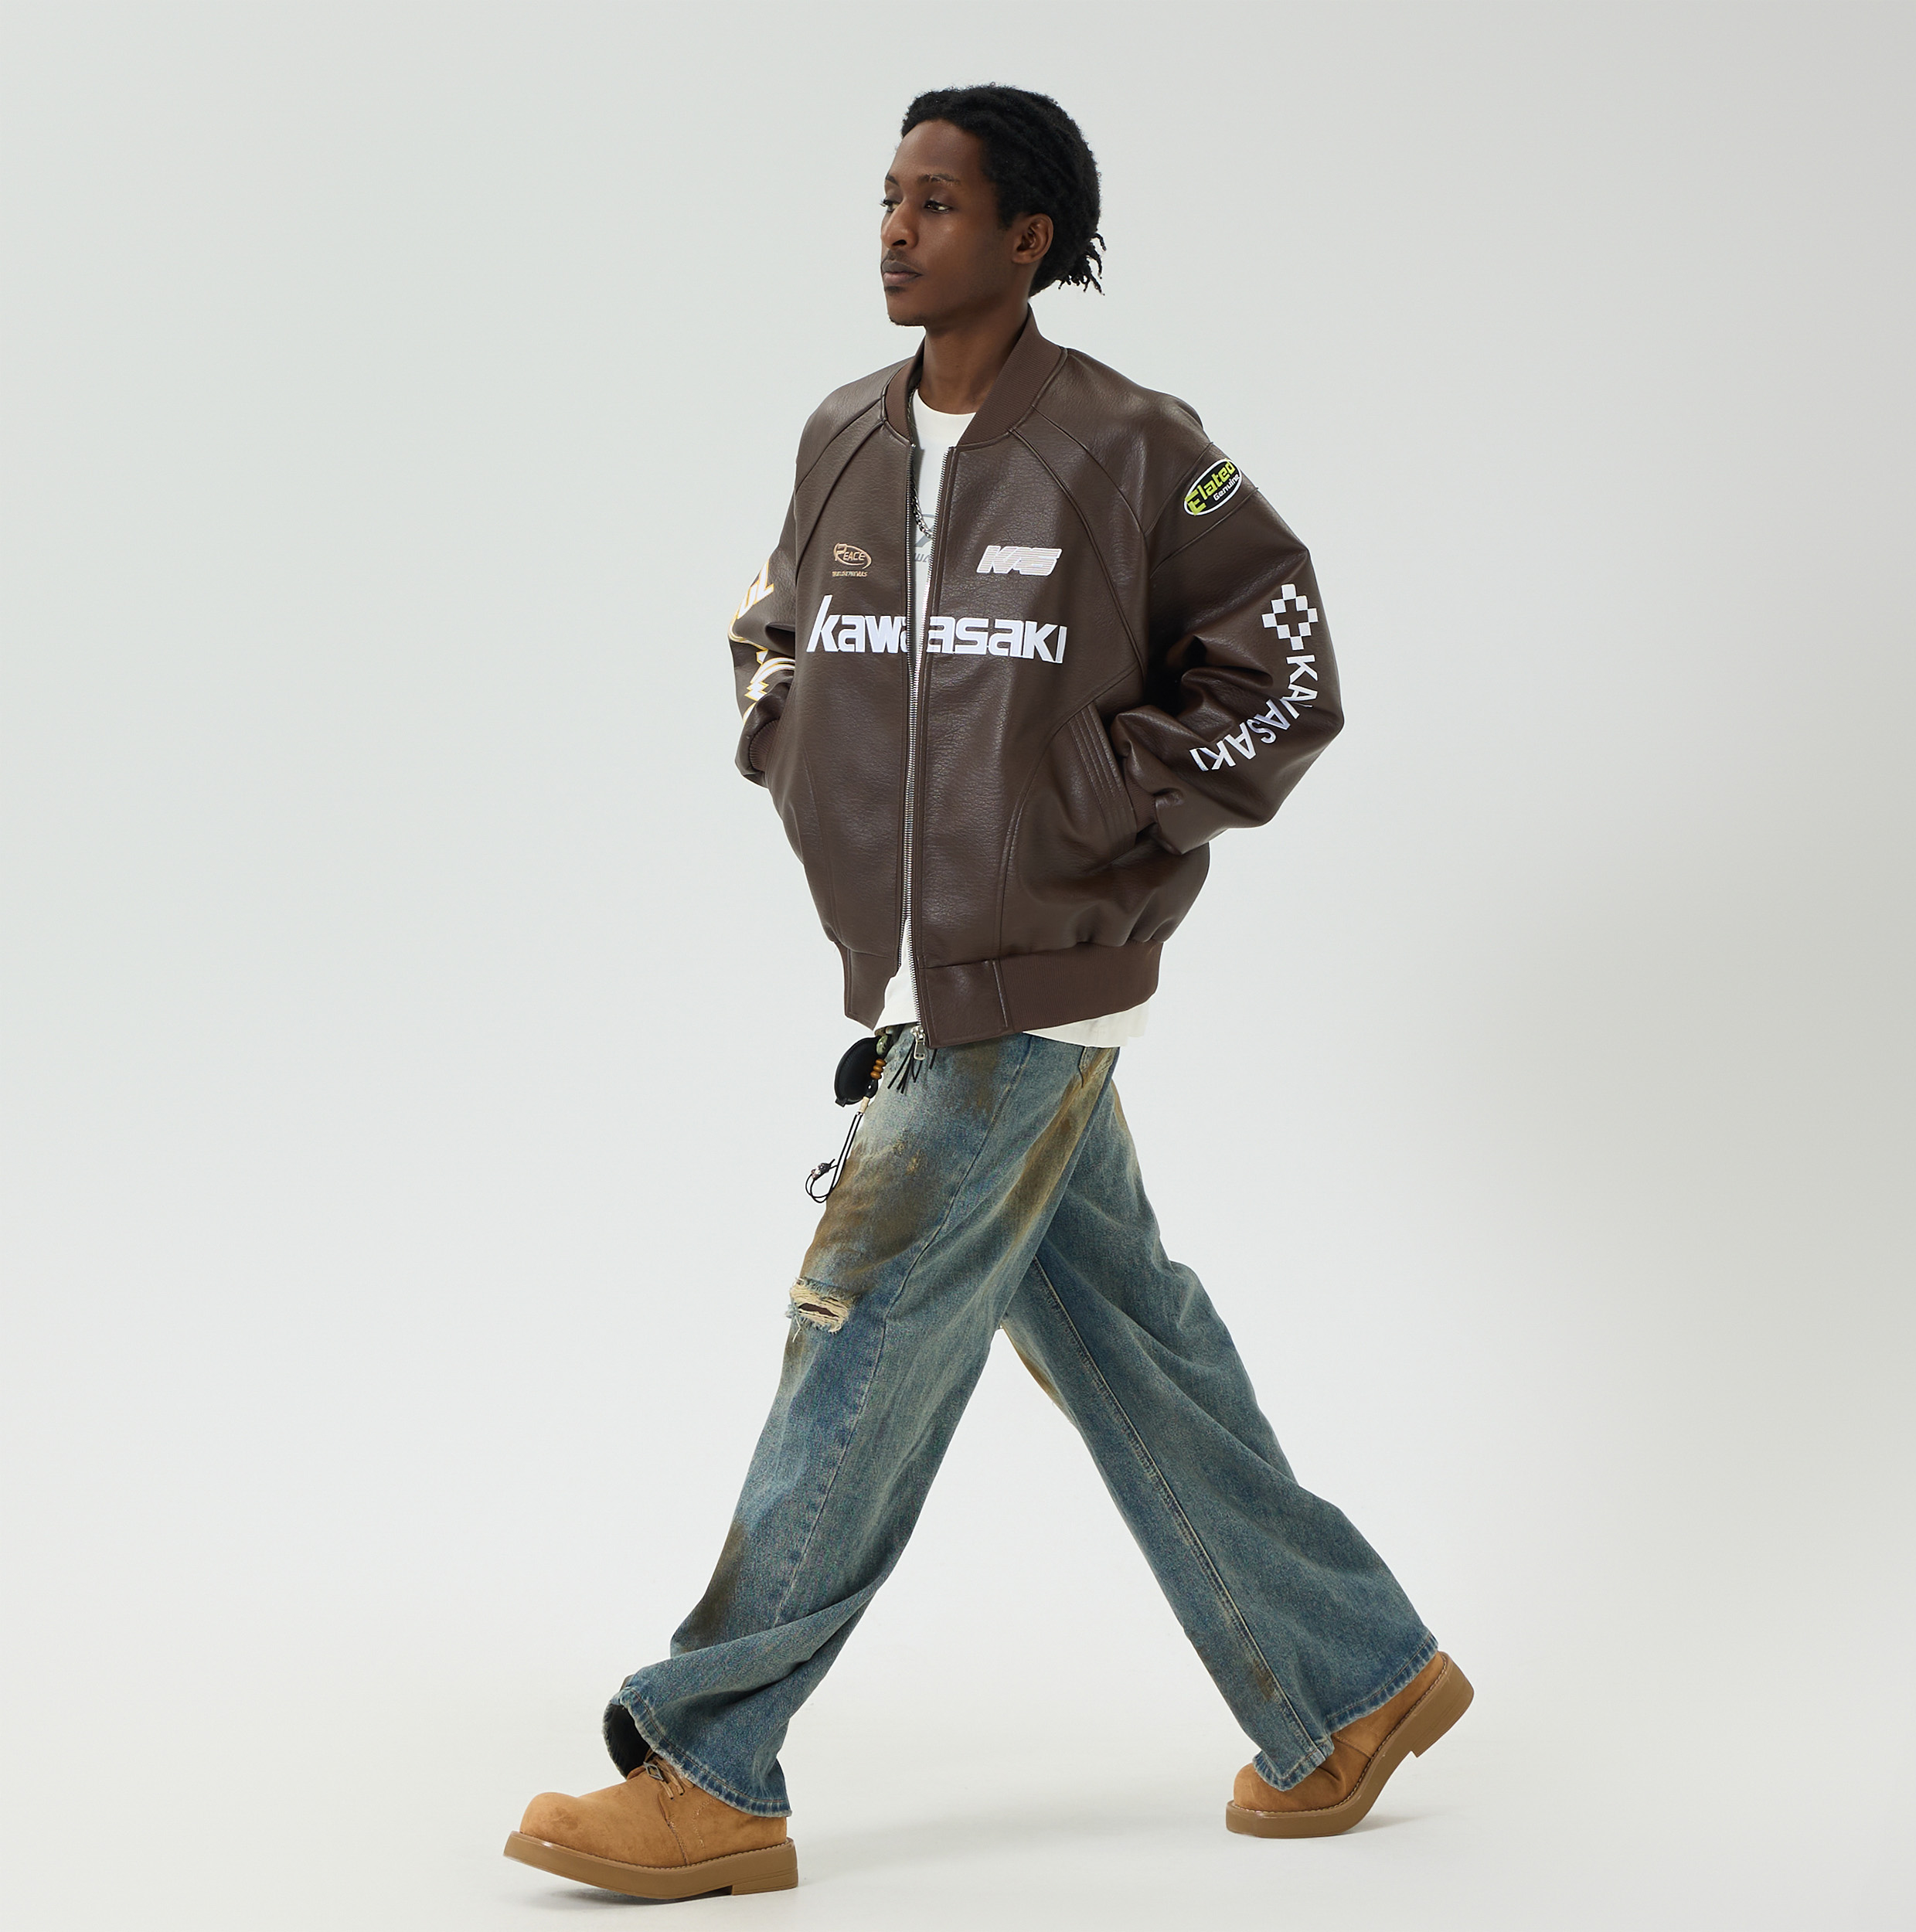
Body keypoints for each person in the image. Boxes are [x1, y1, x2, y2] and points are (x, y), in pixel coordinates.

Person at [504, 83, 1469, 1903]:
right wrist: (785, 736)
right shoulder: (842, 437)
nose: (894, 229)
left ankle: (712, 1762)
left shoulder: (1130, 445)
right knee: (1125, 1339)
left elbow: (1282, 664)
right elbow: (770, 623)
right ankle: (1353, 1677)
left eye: (935, 202)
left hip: (1033, 978)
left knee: (861, 1315)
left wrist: (1093, 804)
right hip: (909, 968)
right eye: (885, 197)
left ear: (1028, 239)